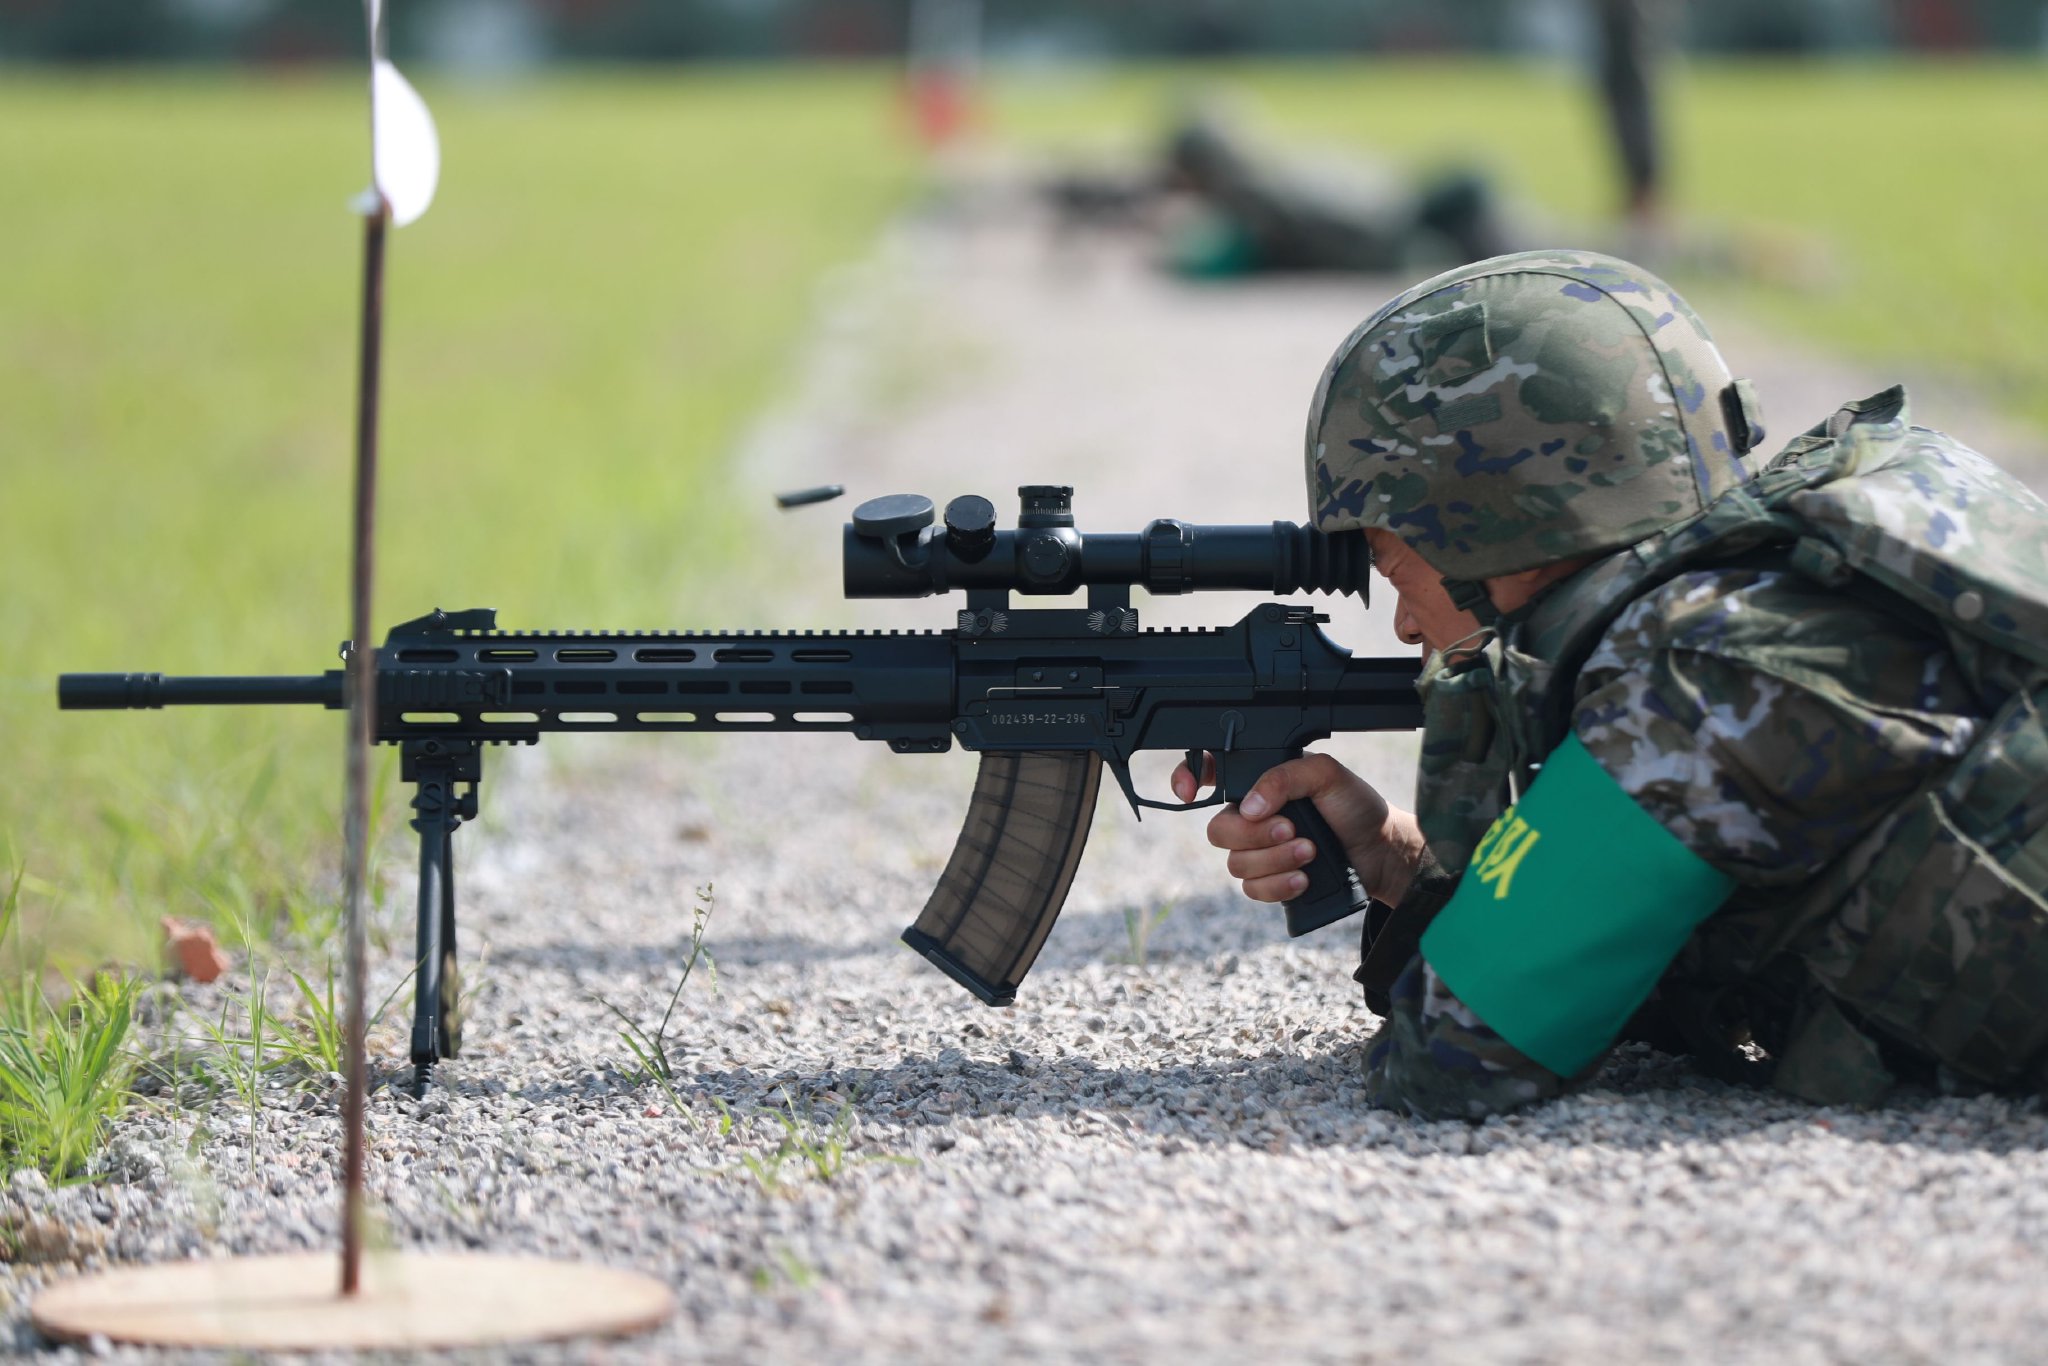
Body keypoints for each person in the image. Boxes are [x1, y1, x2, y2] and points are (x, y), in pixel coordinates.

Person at [1174, 249, 2048, 1119]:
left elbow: (1451, 1059)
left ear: (1493, 525)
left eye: (1394, 567)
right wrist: (1400, 860)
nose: (1404, 625)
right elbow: (1657, 944)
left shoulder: (1700, 682)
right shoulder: (1815, 566)